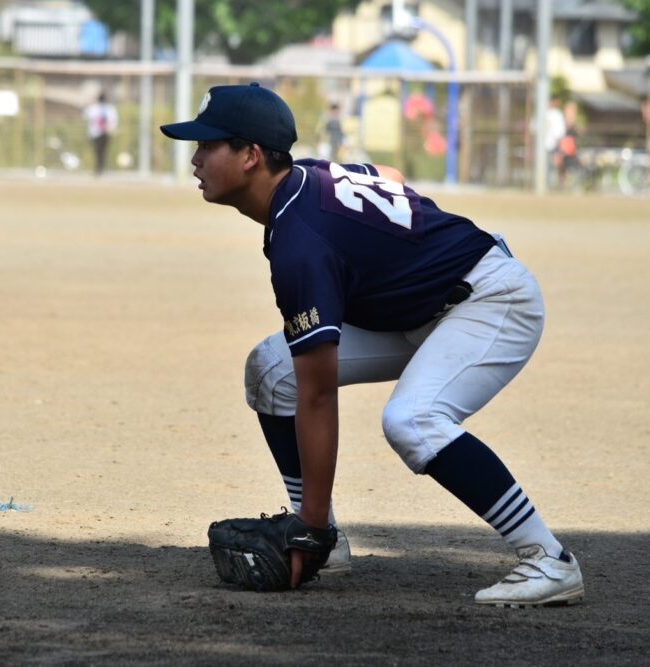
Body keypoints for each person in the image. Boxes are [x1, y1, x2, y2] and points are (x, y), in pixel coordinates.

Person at [160, 83, 583, 606]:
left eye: (208, 145)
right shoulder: (306, 176)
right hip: (421, 307)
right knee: (272, 370)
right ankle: (325, 541)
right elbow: (391, 178)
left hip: (492, 300)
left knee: (413, 420)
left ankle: (548, 559)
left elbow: (317, 395)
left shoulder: (300, 245)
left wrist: (307, 528)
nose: (195, 158)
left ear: (250, 156)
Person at [83, 92, 119, 175]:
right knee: (100, 151)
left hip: (101, 133)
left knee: (100, 151)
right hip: (97, 133)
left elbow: (86, 117)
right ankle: (99, 168)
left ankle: (100, 168)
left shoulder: (95, 108)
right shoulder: (106, 108)